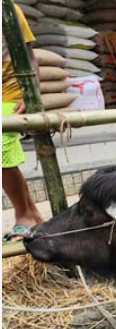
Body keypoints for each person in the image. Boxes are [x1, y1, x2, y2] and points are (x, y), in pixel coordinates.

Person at [2, 3, 45, 242]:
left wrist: (31, 92)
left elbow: (30, 56)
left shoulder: (8, 9)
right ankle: (33, 215)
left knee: (1, 145)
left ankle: (23, 215)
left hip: (10, 94)